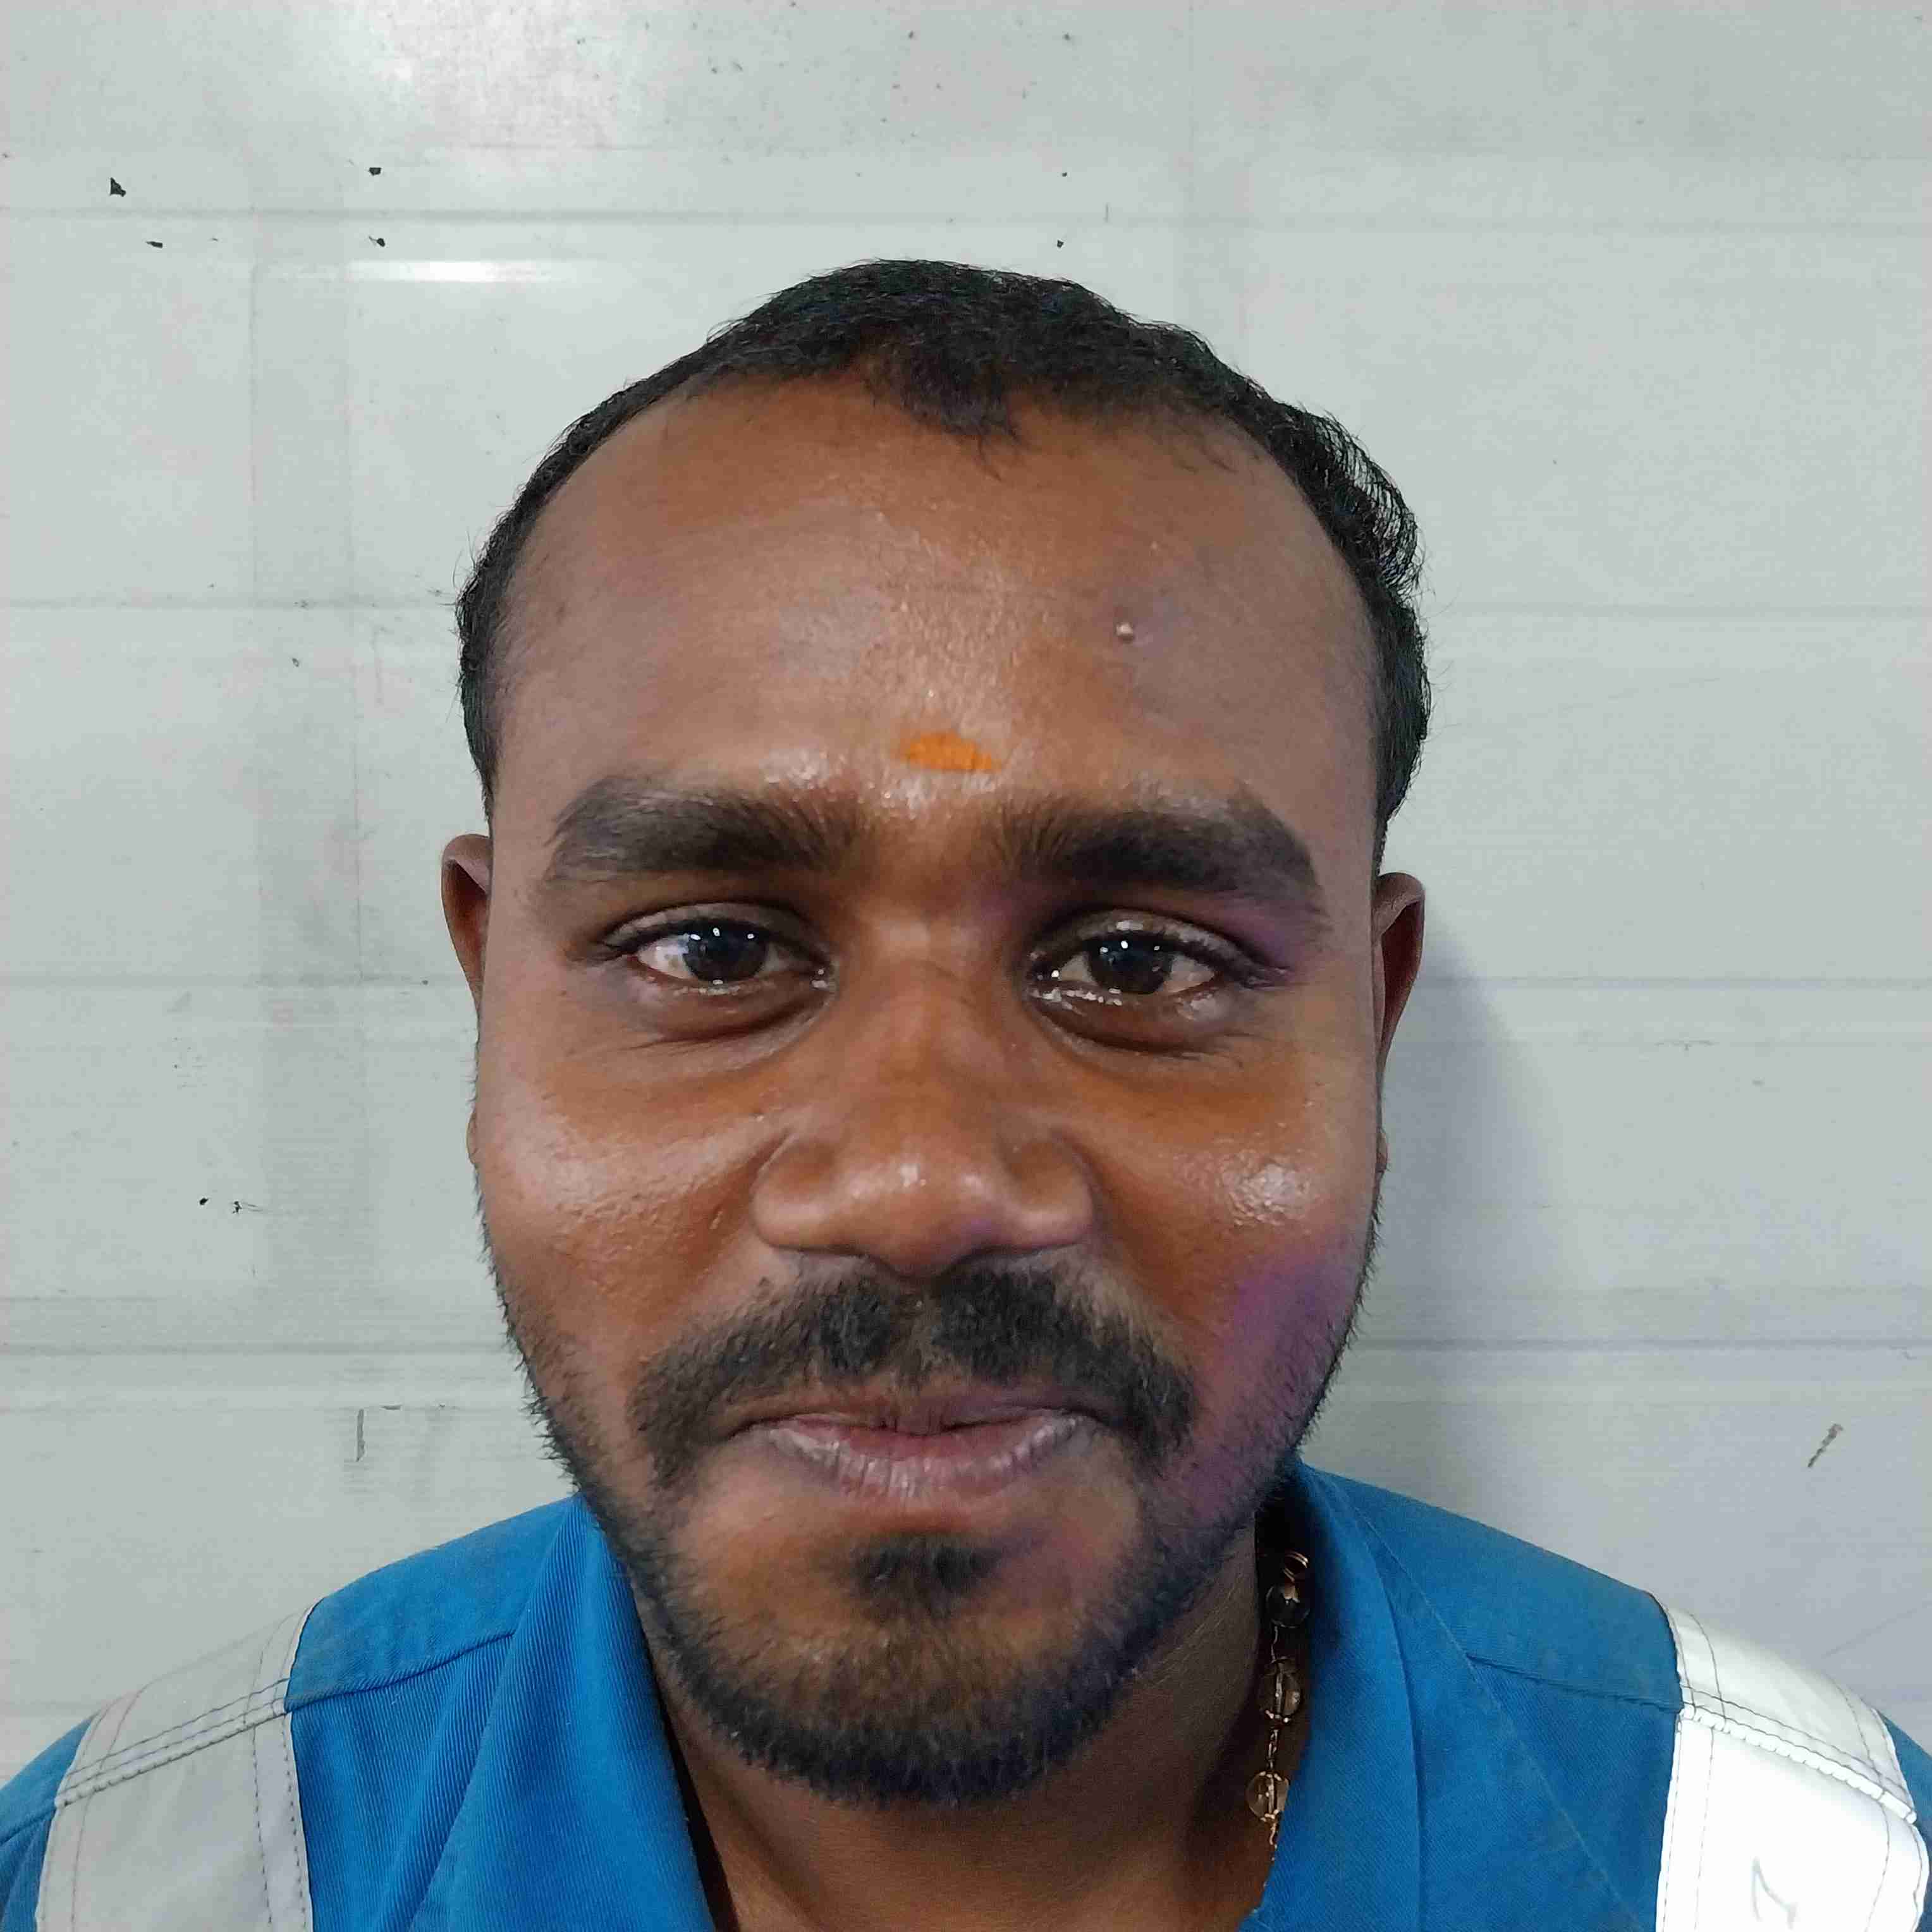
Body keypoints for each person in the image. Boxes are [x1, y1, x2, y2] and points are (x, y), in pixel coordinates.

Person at [2, 259, 1923, 1932]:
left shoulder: (1808, 1879)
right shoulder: (129, 1882)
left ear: (1374, 1018)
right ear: (490, 988)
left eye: (1139, 963)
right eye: (717, 951)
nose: (918, 1189)